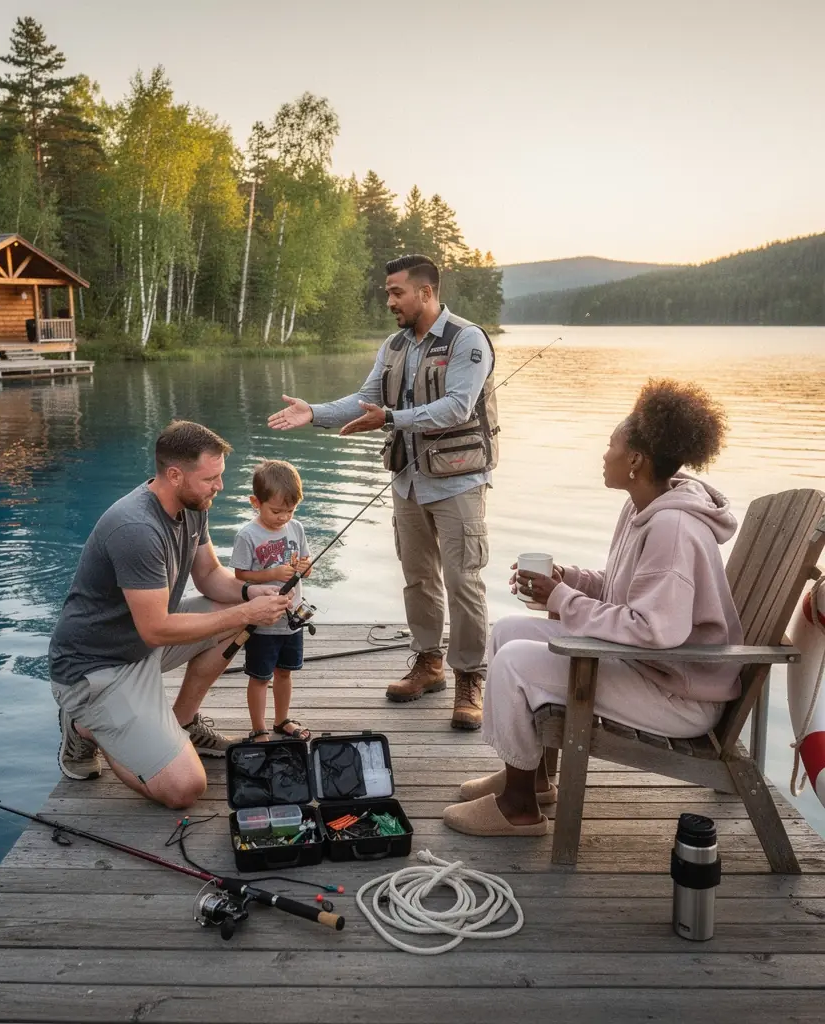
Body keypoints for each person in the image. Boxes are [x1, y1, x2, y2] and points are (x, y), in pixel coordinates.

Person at [444, 379, 742, 837]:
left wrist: (562, 600)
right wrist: (570, 581)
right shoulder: (643, 508)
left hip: (679, 694)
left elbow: (653, 629)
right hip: (650, 669)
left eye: (611, 446)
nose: (605, 455)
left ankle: (518, 808)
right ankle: (533, 777)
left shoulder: (673, 529)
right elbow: (625, 591)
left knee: (515, 664)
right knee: (507, 633)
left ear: (636, 461)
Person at [268, 254, 498, 730]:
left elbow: (457, 408)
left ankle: (469, 677)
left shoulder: (467, 340)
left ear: (426, 293)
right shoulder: (393, 345)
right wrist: (315, 412)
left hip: (458, 481)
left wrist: (391, 419)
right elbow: (364, 401)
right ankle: (428, 663)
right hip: (408, 481)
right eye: (388, 292)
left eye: (397, 292)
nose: (389, 300)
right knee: (418, 578)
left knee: (463, 581)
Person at [48, 420, 292, 809]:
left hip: (140, 647)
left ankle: (181, 724)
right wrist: (247, 610)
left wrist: (250, 592)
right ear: (175, 474)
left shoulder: (194, 505)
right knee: (184, 789)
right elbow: (157, 628)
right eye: (211, 478)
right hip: (96, 670)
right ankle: (86, 727)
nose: (220, 487)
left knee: (238, 613)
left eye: (221, 476)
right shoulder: (136, 528)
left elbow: (211, 576)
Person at [230, 460, 314, 742]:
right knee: (260, 677)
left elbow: (307, 565)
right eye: (276, 511)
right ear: (256, 502)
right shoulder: (248, 535)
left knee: (285, 673)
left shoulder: (296, 528)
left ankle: (281, 720)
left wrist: (304, 568)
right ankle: (258, 729)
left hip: (291, 620)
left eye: (290, 511)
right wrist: (272, 574)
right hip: (263, 623)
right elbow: (240, 574)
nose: (283, 517)